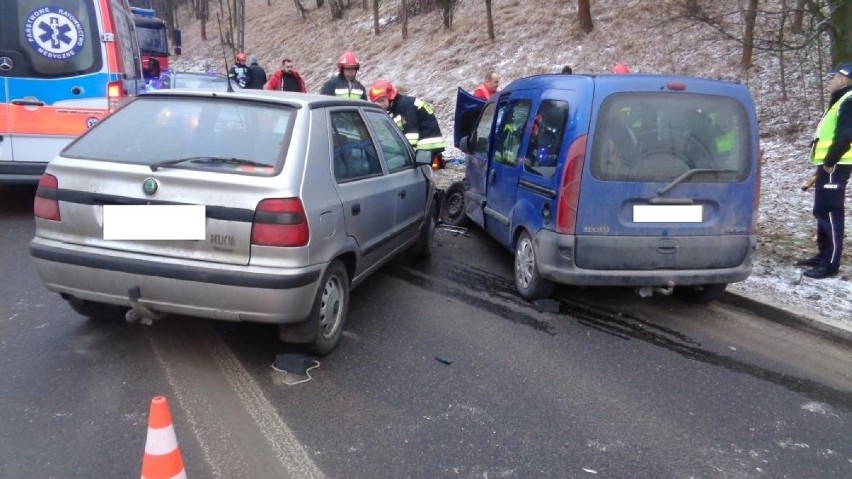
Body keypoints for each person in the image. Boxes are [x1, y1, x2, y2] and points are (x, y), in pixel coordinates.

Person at [796, 62, 852, 279]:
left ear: (842, 80)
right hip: (831, 165)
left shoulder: (848, 101)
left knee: (830, 211)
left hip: (835, 166)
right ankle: (823, 255)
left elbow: (847, 135)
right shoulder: (842, 100)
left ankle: (830, 264)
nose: (830, 81)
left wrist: (830, 161)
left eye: (833, 77)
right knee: (822, 210)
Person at [368, 79, 446, 169]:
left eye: (382, 101)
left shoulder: (404, 105)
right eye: (377, 102)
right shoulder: (398, 107)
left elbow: (411, 135)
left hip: (427, 144)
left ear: (391, 98)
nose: (380, 105)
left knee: (420, 172)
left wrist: (398, 150)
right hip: (426, 143)